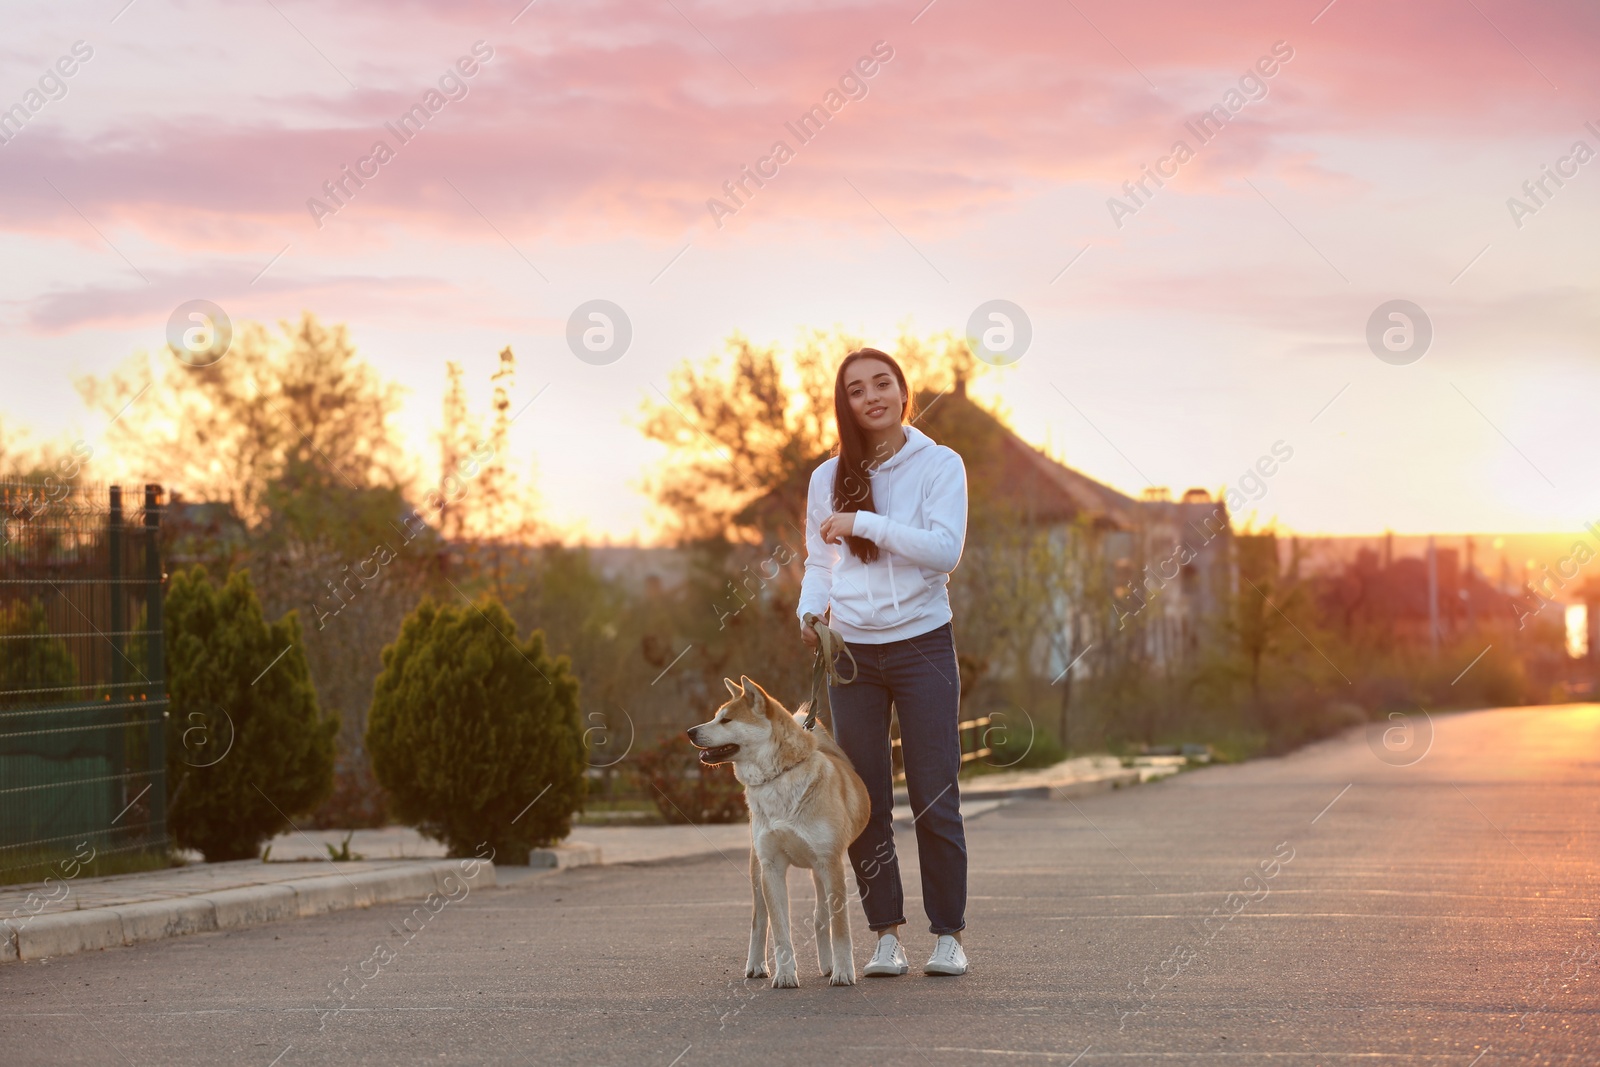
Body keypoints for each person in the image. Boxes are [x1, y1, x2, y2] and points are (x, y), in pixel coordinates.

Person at [796, 346, 970, 977]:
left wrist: (865, 521)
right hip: (853, 654)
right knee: (863, 798)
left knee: (934, 792)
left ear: (903, 391)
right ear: (844, 403)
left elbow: (943, 551)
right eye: (856, 389)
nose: (871, 396)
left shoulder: (940, 464)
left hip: (924, 642)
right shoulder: (826, 477)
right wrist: (811, 615)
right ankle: (886, 936)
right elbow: (820, 562)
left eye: (881, 384)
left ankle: (948, 934)